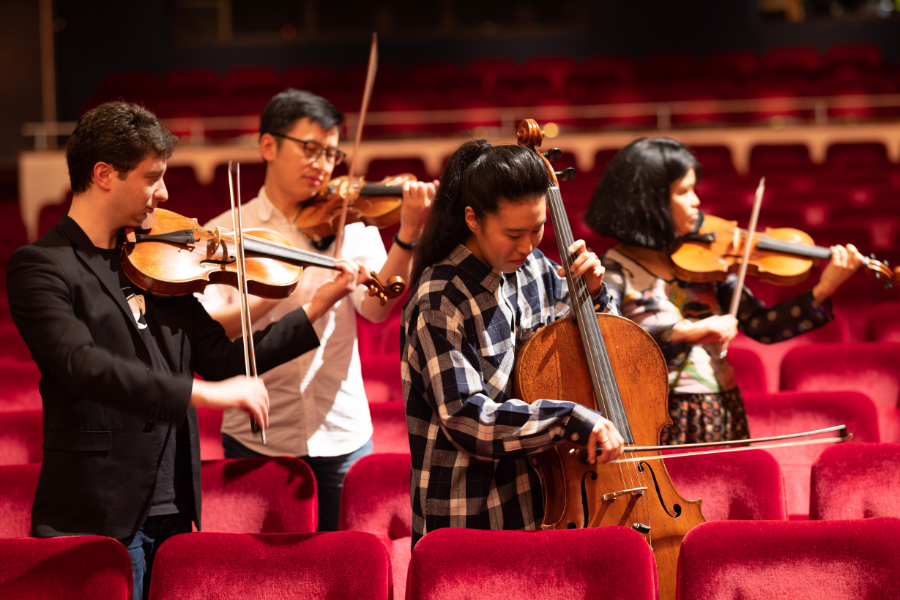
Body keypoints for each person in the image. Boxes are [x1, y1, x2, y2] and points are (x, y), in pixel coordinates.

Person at [6, 101, 358, 600]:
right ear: (104, 174)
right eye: (153, 178)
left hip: (174, 507)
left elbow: (224, 359)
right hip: (97, 508)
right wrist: (201, 396)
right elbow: (80, 364)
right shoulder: (42, 266)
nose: (165, 193)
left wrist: (316, 307)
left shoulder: (157, 260)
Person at [197, 89, 435, 532]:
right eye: (310, 149)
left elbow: (377, 308)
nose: (323, 164)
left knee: (345, 568)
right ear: (268, 145)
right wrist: (271, 293)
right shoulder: (226, 231)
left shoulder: (350, 223)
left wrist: (406, 237)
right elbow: (212, 328)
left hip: (341, 431)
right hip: (257, 436)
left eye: (330, 153)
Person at [401, 141, 625, 549]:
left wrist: (593, 296)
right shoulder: (440, 298)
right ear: (473, 219)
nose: (528, 245)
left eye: (538, 228)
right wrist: (568, 418)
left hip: (544, 499)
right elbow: (468, 418)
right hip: (468, 515)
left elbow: (594, 349)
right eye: (513, 233)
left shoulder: (535, 268)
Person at [583, 137, 864, 445]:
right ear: (649, 201)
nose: (696, 202)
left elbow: (761, 324)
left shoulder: (707, 263)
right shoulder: (614, 268)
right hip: (657, 412)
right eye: (684, 191)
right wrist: (688, 331)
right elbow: (613, 342)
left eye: (694, 190)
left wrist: (823, 289)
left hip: (722, 405)